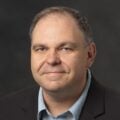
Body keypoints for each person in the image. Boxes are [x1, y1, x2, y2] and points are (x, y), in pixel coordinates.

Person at [0, 6, 120, 120]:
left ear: (90, 55)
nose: (52, 60)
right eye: (41, 49)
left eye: (65, 48)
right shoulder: (5, 110)